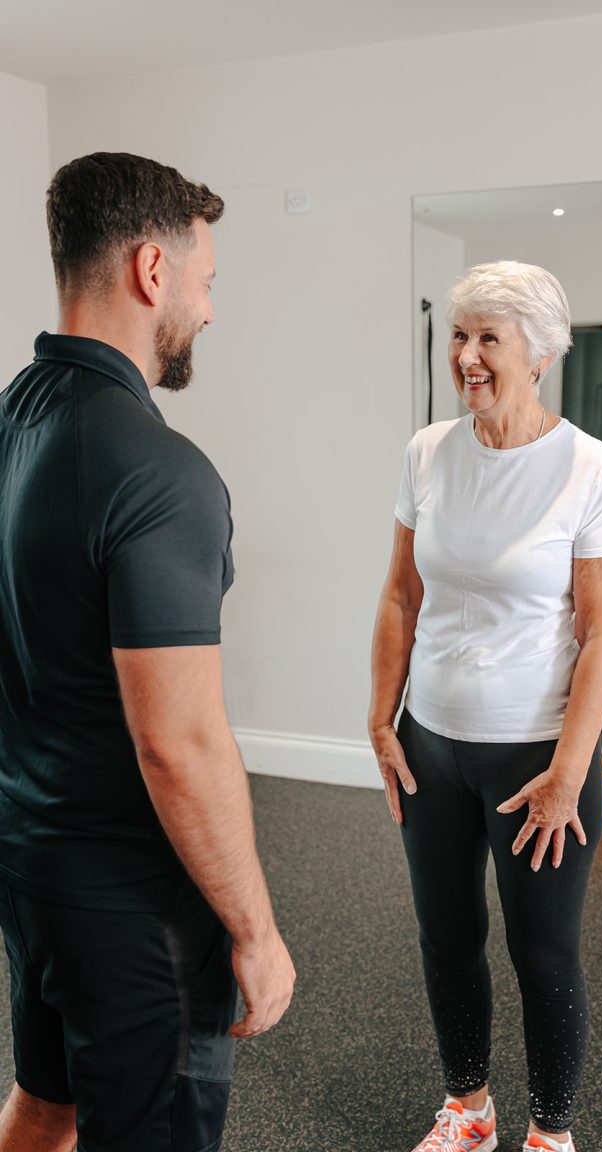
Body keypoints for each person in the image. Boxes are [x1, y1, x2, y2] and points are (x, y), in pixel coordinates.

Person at [0, 153, 295, 1152]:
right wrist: (254, 934)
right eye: (205, 283)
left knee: (45, 1110)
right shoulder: (160, 473)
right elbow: (181, 743)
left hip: (31, 864)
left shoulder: (14, 421)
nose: (209, 312)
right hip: (133, 909)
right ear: (151, 272)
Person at [369, 262, 602, 1152]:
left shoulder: (591, 467)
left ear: (541, 353)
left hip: (538, 758)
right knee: (446, 938)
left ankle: (551, 1133)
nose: (466, 357)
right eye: (457, 335)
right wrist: (380, 717)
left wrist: (568, 774)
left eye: (488, 338)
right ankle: (468, 1107)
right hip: (431, 745)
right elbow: (401, 596)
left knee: (543, 955)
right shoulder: (427, 451)